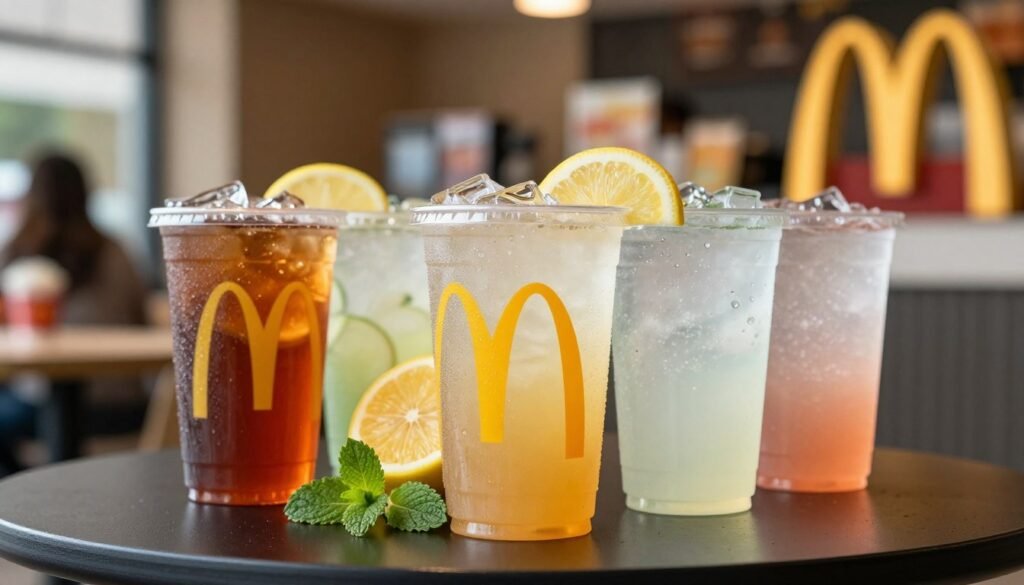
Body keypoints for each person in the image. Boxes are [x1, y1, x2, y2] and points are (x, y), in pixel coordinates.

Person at [0, 152, 148, 475]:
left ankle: (18, 493)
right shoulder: (115, 251)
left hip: (41, 403)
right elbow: (141, 317)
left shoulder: (16, 254)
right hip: (127, 403)